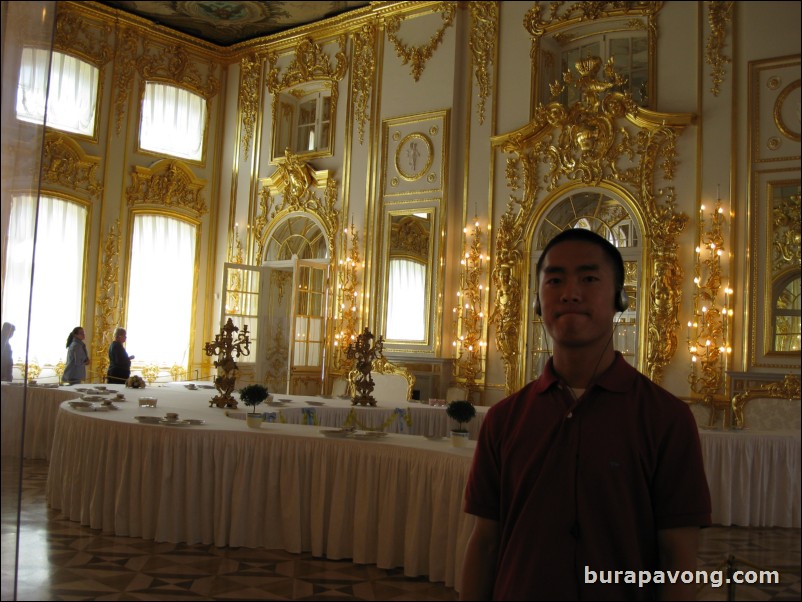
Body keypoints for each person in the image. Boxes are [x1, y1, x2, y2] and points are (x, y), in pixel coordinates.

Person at [461, 228, 711, 601]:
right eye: (555, 280)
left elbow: (678, 556)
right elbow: (485, 544)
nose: (570, 293)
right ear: (537, 302)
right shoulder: (504, 419)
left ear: (620, 299)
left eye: (589, 278)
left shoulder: (665, 419)